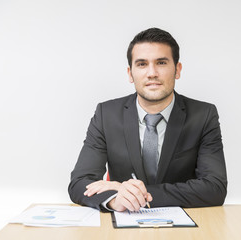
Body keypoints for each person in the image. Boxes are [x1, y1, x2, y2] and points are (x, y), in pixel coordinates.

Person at [68, 28, 227, 212]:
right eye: (142, 64)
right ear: (130, 73)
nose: (152, 73)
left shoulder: (203, 115)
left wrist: (130, 191)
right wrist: (115, 199)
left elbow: (215, 188)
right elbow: (79, 184)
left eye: (161, 63)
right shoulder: (106, 114)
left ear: (177, 69)